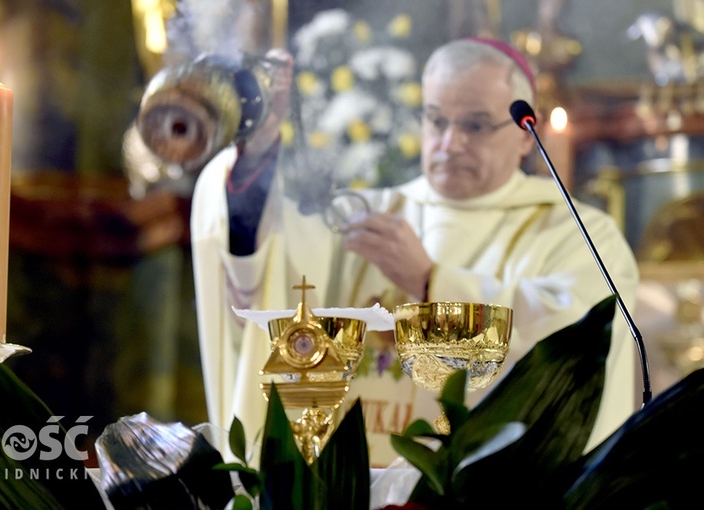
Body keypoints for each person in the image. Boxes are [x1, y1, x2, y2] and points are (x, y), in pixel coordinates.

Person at [190, 38, 639, 466]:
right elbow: (265, 272)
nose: (450, 142)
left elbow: (574, 349)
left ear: (526, 134)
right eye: (436, 120)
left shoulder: (577, 232)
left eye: (476, 125)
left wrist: (431, 283)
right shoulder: (366, 217)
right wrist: (258, 151)